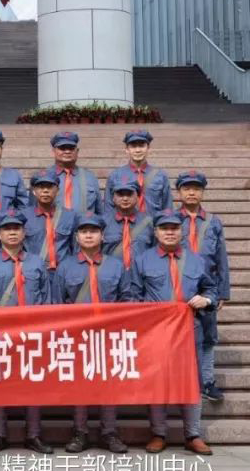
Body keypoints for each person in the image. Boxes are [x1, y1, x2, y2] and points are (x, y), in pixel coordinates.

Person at [134, 210, 216, 456]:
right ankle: (159, 433)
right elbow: (132, 294)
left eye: (174, 228)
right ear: (156, 232)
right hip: (156, 331)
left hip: (190, 328)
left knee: (191, 380)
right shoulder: (142, 260)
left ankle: (193, 434)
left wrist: (206, 299)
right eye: (164, 228)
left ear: (182, 232)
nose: (169, 232)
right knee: (157, 380)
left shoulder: (197, 260)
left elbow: (211, 288)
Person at [52, 212, 131, 454]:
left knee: (109, 384)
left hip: (108, 335)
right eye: (84, 231)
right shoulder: (65, 267)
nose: (89, 235)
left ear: (102, 236)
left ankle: (109, 432)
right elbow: (57, 304)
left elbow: (127, 300)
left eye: (94, 231)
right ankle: (80, 432)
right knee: (80, 385)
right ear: (76, 237)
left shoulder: (116, 266)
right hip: (76, 335)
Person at [0, 209, 52, 454]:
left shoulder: (37, 262)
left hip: (32, 332)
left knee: (33, 383)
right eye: (7, 229)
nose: (12, 233)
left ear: (24, 232)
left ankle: (34, 434)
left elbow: (47, 300)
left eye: (16, 228)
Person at [176, 171, 229, 403]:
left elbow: (221, 257)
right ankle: (180, 382)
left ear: (203, 192)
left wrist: (222, 291)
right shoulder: (170, 221)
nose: (191, 193)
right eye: (187, 188)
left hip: (207, 286)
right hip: (179, 283)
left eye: (196, 189)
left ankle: (207, 382)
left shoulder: (213, 222)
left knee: (207, 337)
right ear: (179, 192)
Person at [24, 169, 76, 279]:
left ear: (57, 190)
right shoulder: (24, 217)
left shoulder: (69, 216)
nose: (45, 191)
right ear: (34, 191)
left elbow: (75, 248)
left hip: (62, 273)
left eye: (50, 187)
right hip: (33, 273)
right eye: (41, 187)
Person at [105, 130, 172, 216]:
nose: (137, 150)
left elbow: (167, 207)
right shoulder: (115, 175)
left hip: (153, 223)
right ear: (127, 150)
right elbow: (108, 209)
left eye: (141, 146)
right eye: (133, 146)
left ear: (148, 148)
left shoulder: (160, 175)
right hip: (125, 223)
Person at [103, 174, 154, 273]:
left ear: (137, 197)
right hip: (111, 275)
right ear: (113, 198)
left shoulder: (149, 223)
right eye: (120, 194)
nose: (125, 198)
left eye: (129, 194)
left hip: (141, 275)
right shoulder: (103, 223)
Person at [50, 131, 101, 214]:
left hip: (83, 222)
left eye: (71, 148)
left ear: (77, 151)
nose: (67, 151)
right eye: (62, 148)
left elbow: (99, 211)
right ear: (53, 151)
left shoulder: (89, 177)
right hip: (54, 222)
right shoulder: (44, 177)